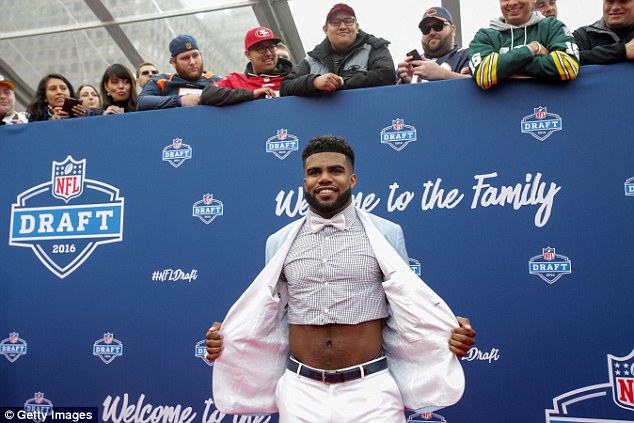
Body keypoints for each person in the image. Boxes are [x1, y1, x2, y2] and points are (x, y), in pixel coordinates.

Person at [206, 135, 475, 421]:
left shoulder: (387, 233)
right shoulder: (278, 241)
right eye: (314, 172)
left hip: (372, 390)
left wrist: (445, 327)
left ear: (353, 179)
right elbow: (269, 314)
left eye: (335, 170)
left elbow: (409, 304)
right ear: (304, 182)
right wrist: (229, 338)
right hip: (300, 392)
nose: (324, 178)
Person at [280, 3, 396, 97]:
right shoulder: (312, 58)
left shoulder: (375, 47)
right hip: (323, 121)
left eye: (348, 21)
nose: (342, 26)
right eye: (335, 22)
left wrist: (340, 82)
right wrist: (314, 82)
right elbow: (285, 87)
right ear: (325, 29)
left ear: (357, 27)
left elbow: (385, 75)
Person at [468, 0, 580, 89]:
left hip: (548, 109)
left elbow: (568, 66)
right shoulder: (485, 36)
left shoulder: (552, 26)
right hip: (500, 112)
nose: (512, 2)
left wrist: (503, 65)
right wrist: (532, 48)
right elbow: (483, 74)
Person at [199, 27, 293, 106]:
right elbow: (208, 94)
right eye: (260, 49)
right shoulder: (235, 80)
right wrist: (251, 94)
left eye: (271, 47)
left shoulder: (292, 78)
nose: (268, 53)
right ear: (248, 55)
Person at [136, 35, 221, 111]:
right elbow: (141, 102)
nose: (192, 62)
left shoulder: (217, 81)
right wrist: (179, 101)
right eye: (185, 58)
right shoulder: (161, 80)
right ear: (173, 62)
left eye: (195, 56)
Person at [397, 6, 470, 83]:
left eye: (438, 26)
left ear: (453, 29)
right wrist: (407, 83)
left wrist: (442, 74)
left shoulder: (467, 55)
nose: (431, 33)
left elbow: (478, 85)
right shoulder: (409, 66)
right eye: (426, 29)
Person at [573, 0, 634, 65]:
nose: (615, 7)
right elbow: (570, 60)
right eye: (610, 1)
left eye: (623, 1)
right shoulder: (581, 35)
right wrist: (622, 50)